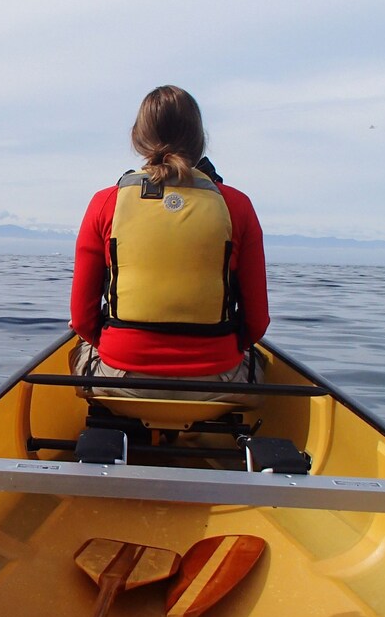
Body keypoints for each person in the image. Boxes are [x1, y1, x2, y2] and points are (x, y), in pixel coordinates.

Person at [68, 85, 270, 400]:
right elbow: (256, 325)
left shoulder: (105, 202)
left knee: (78, 348)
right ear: (200, 139)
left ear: (138, 137)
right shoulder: (238, 205)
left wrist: (118, 348)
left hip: (121, 380)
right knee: (263, 362)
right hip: (217, 382)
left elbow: (82, 320)